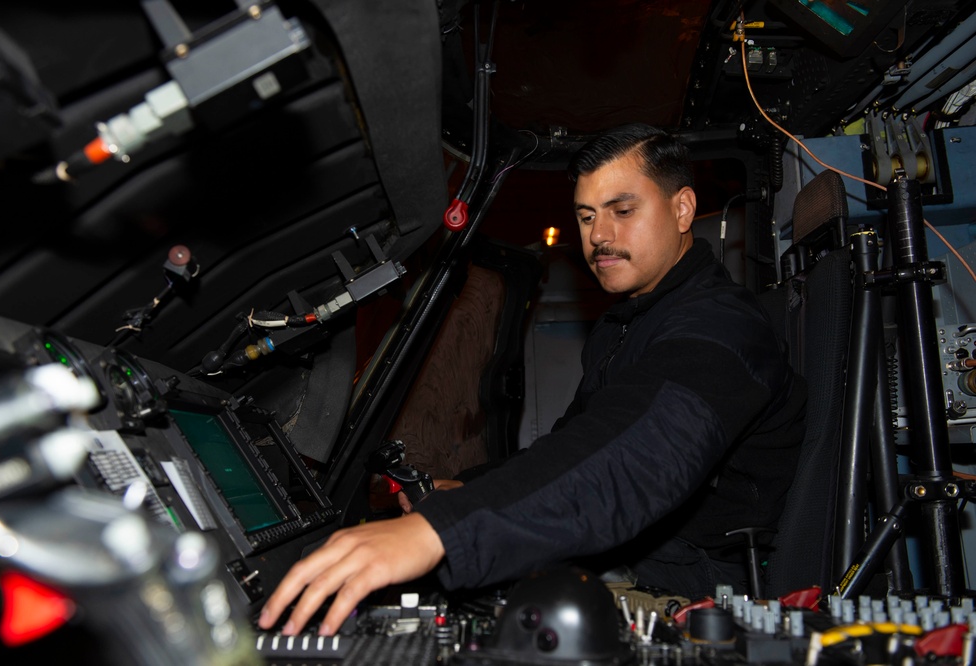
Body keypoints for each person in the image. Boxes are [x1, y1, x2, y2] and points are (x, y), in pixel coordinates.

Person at [258, 123, 806, 637]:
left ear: (682, 208)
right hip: (643, 548)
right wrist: (473, 488)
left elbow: (636, 458)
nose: (600, 236)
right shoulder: (627, 324)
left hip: (694, 575)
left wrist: (442, 529)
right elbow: (575, 444)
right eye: (587, 216)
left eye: (622, 209)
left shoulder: (720, 328)